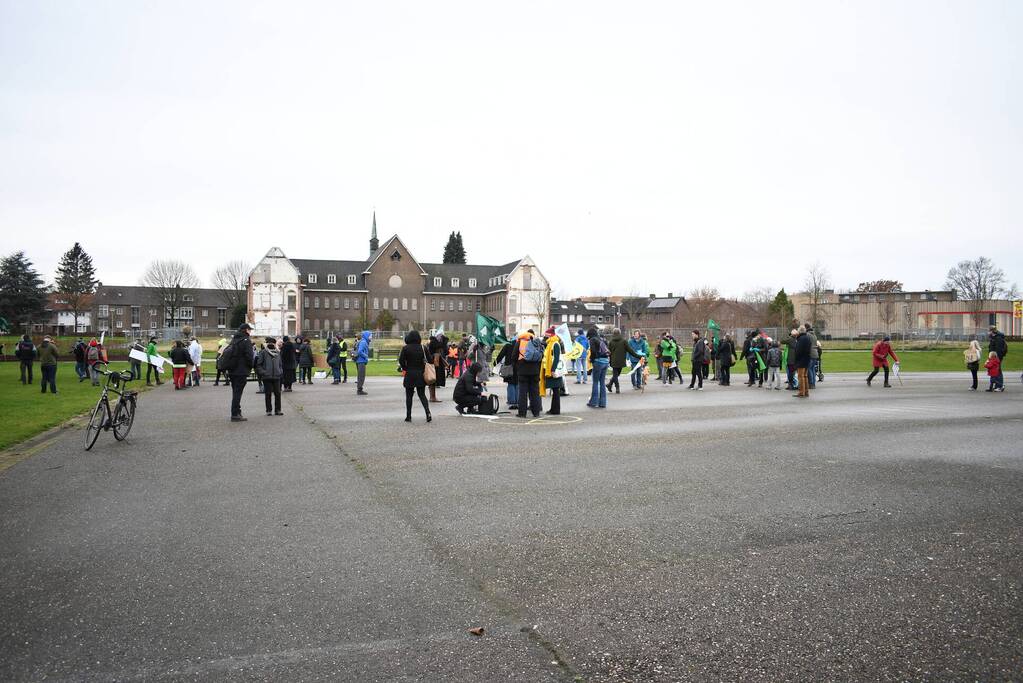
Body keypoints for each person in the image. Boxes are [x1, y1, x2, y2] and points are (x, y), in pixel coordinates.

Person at [398, 330, 432, 422]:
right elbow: (430, 360)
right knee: (422, 395)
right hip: (420, 373)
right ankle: (428, 413)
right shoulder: (423, 347)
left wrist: (405, 368)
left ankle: (408, 416)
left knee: (409, 396)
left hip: (409, 373)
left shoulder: (405, 348)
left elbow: (401, 361)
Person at [228, 323, 255, 421]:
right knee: (237, 393)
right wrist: (251, 366)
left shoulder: (234, 340)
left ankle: (237, 412)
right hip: (241, 370)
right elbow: (249, 356)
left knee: (235, 392)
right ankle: (235, 414)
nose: (250, 331)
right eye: (249, 330)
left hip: (232, 369)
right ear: (245, 330)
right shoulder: (246, 340)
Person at [514, 329, 543, 417]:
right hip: (535, 371)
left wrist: (517, 367)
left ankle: (522, 413)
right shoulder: (537, 342)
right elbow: (541, 356)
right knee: (535, 393)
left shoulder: (520, 342)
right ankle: (536, 412)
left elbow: (514, 356)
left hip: (523, 371)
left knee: (522, 393)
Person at [255, 336, 284, 415]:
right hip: (267, 377)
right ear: (267, 343)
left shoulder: (278, 352)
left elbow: (280, 364)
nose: (271, 344)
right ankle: (268, 410)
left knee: (278, 394)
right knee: (268, 394)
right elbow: (259, 365)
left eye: (273, 343)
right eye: (269, 343)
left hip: (277, 376)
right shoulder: (263, 352)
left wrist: (280, 371)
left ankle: (278, 410)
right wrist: (264, 372)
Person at [607, 328, 640, 394]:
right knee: (616, 375)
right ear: (619, 333)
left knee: (616, 375)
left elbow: (608, 352)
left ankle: (610, 384)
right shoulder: (623, 341)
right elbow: (630, 351)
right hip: (621, 361)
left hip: (613, 361)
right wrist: (638, 356)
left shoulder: (611, 342)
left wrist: (608, 360)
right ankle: (617, 388)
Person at [540, 327, 564, 415]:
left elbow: (556, 358)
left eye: (546, 335)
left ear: (550, 335)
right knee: (555, 390)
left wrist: (553, 370)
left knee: (556, 390)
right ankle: (554, 409)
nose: (545, 337)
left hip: (553, 371)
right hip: (550, 370)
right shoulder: (551, 343)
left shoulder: (555, 344)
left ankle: (555, 410)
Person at [493, 337, 519, 410]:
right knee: (517, 384)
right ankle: (517, 401)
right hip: (519, 367)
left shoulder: (508, 345)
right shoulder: (520, 345)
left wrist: (495, 363)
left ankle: (511, 401)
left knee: (510, 384)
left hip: (509, 367)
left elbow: (501, 355)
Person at [586, 328, 610, 407]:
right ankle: (602, 403)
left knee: (595, 382)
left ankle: (593, 402)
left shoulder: (592, 340)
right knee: (602, 382)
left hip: (598, 362)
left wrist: (592, 360)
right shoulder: (601, 339)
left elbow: (593, 351)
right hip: (605, 361)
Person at [427, 331, 447, 402]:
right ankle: (432, 397)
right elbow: (440, 346)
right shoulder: (433, 342)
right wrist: (444, 340)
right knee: (433, 379)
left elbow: (445, 349)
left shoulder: (436, 342)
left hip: (436, 361)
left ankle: (433, 397)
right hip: (434, 362)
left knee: (434, 380)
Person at [793, 326, 811, 398]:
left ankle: (801, 392)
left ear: (800, 331)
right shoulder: (807, 338)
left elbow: (798, 350)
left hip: (801, 360)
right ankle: (806, 391)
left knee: (800, 376)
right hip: (807, 359)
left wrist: (796, 358)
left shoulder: (801, 339)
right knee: (805, 376)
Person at [988, 325, 1007, 391]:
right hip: (993, 356)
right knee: (995, 371)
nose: (988, 332)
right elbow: (991, 347)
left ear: (992, 331)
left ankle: (1000, 386)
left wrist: (996, 358)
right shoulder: (993, 337)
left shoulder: (998, 337)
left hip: (997, 357)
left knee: (998, 370)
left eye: (989, 331)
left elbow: (998, 349)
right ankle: (996, 386)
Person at [355, 330, 372, 395]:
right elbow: (359, 351)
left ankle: (359, 389)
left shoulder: (363, 341)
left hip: (360, 361)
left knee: (361, 376)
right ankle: (359, 390)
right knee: (361, 376)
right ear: (366, 336)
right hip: (361, 361)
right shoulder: (364, 342)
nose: (371, 337)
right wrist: (366, 356)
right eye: (370, 336)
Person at [806, 324, 820, 390]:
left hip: (811, 353)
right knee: (813, 369)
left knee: (809, 369)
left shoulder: (808, 335)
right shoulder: (815, 335)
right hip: (815, 353)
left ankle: (811, 383)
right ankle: (813, 383)